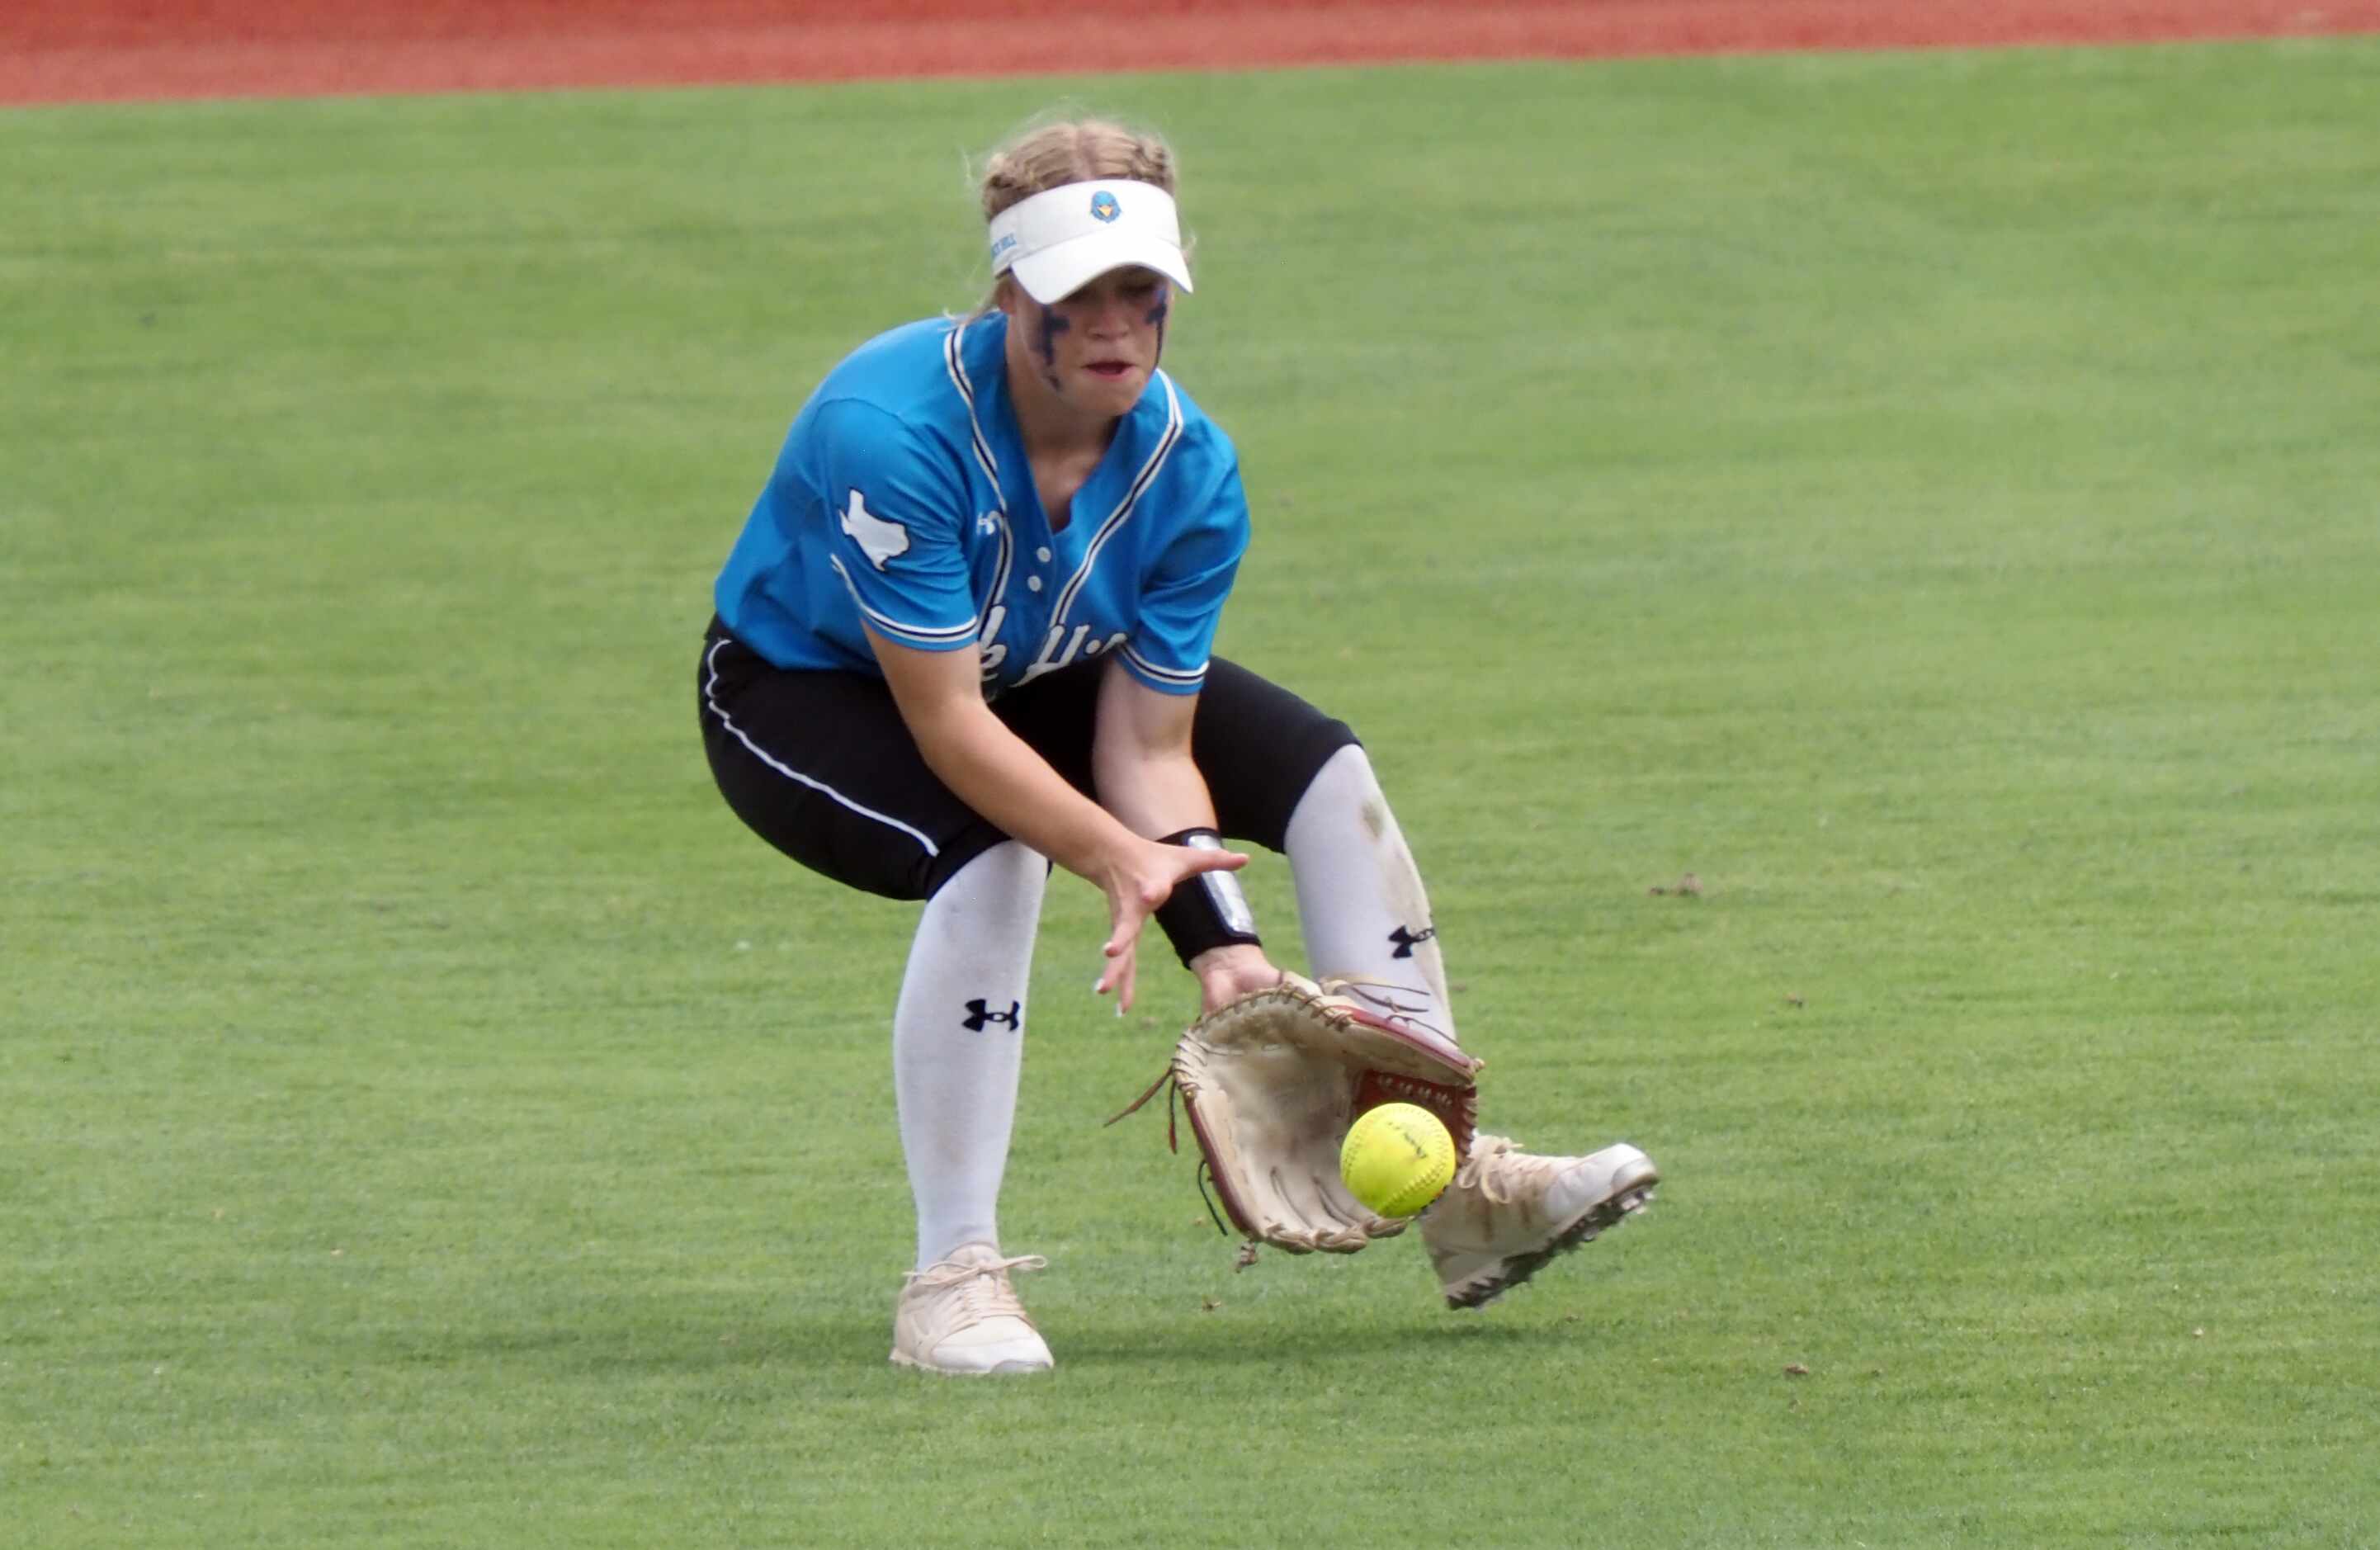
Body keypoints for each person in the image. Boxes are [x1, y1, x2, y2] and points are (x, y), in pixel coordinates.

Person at [699, 116, 1657, 1377]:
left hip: (1034, 674)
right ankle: (952, 1279)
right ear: (1007, 295)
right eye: (1077, 294)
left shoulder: (1190, 469)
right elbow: (947, 722)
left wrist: (1225, 946)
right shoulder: (893, 428)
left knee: (1324, 771)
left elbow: (1146, 743)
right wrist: (1115, 861)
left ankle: (1454, 1176)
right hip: (808, 694)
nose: (1113, 324)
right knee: (995, 854)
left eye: (1140, 292)